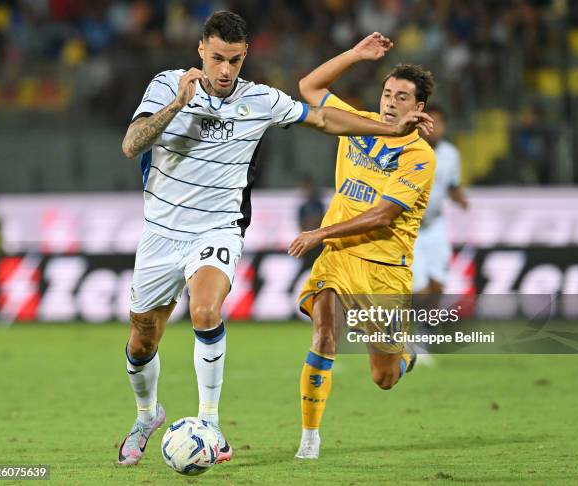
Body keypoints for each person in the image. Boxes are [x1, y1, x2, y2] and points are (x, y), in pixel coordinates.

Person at [117, 14, 433, 466]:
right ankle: (146, 416)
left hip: (218, 228)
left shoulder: (260, 100)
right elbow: (132, 145)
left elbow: (322, 117)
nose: (226, 70)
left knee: (206, 310)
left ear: (245, 56)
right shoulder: (167, 85)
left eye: (236, 60)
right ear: (201, 51)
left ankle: (211, 424)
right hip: (161, 231)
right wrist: (177, 106)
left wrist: (391, 130)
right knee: (142, 339)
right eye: (218, 59)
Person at [288, 33, 437, 459]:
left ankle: (402, 356)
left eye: (402, 97)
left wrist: (319, 233)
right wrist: (354, 55)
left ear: (418, 108)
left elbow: (384, 215)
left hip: (383, 265)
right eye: (388, 93)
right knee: (324, 337)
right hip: (338, 257)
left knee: (384, 377)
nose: (391, 102)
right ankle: (309, 441)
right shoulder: (359, 124)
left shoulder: (419, 156)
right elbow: (309, 89)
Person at [412, 104, 468, 295]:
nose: (434, 128)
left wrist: (461, 200)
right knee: (419, 286)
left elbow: (452, 185)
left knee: (438, 283)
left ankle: (427, 325)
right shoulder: (408, 150)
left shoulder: (450, 154)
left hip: (436, 224)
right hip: (410, 227)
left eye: (439, 123)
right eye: (429, 123)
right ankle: (421, 323)